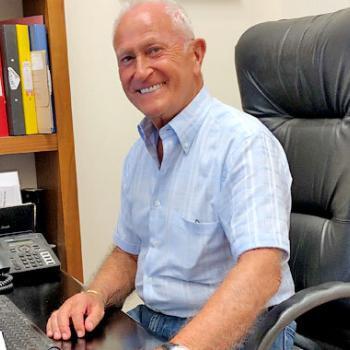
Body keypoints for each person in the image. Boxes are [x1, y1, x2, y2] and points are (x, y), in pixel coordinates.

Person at [46, 0, 296, 349]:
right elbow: (129, 253)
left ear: (196, 55)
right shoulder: (140, 156)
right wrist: (96, 294)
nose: (141, 70)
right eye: (127, 58)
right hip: (153, 321)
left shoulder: (244, 144)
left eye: (154, 50)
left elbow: (261, 272)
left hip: (242, 331)